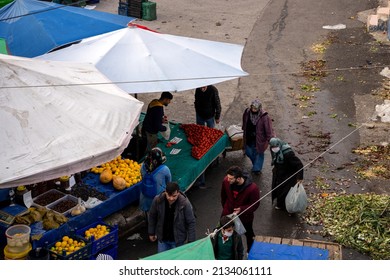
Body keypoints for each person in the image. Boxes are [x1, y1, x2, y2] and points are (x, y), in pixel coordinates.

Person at [221, 166, 260, 253]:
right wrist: (226, 209)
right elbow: (223, 197)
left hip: (245, 217)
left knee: (249, 234)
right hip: (228, 214)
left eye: (231, 178)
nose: (228, 180)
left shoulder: (252, 188)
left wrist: (242, 209)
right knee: (225, 233)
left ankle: (249, 251)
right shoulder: (226, 181)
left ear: (238, 179)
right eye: (228, 177)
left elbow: (255, 205)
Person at [148, 182, 196, 253]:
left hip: (177, 241)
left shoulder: (185, 203)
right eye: (169, 195)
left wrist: (191, 241)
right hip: (163, 240)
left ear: (178, 193)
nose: (171, 198)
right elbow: (152, 216)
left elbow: (191, 222)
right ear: (165, 192)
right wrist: (151, 232)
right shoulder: (158, 200)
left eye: (174, 196)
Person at [193, 85, 222, 188]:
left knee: (211, 136)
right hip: (200, 115)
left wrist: (217, 116)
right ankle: (201, 146)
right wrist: (197, 109)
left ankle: (213, 158)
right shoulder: (197, 89)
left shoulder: (213, 89)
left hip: (210, 116)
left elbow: (217, 103)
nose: (202, 87)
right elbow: (196, 100)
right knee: (199, 134)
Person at [269, 137, 304, 211]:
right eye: (273, 147)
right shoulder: (274, 150)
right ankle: (280, 204)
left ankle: (285, 206)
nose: (274, 148)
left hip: (289, 175)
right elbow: (275, 160)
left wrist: (299, 177)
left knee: (285, 191)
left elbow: (299, 165)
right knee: (278, 188)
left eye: (276, 147)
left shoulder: (288, 153)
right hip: (279, 173)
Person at [242, 99, 274, 175]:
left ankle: (256, 169)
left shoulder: (264, 116)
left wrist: (270, 139)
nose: (253, 110)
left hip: (259, 139)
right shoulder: (247, 112)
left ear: (259, 108)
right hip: (249, 137)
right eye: (252, 108)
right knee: (248, 151)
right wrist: (243, 129)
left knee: (259, 153)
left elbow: (268, 129)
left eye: (255, 108)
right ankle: (256, 164)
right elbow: (244, 120)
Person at [139, 147, 172, 213]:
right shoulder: (165, 169)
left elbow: (142, 176)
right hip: (158, 199)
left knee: (148, 215)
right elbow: (169, 182)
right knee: (159, 217)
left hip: (145, 198)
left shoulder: (143, 166)